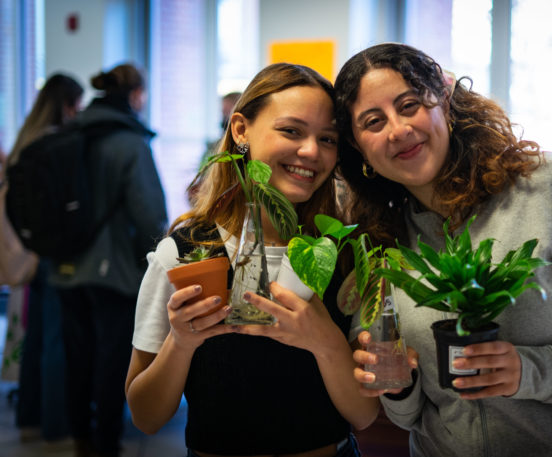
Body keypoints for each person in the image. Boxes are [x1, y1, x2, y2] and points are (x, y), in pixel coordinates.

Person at [334, 43, 552, 457]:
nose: (398, 129)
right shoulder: (379, 243)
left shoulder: (550, 185)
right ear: (359, 149)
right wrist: (399, 383)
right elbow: (407, 415)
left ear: (444, 99)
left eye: (409, 105)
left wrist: (531, 371)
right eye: (373, 121)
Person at [125, 63, 378, 457]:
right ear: (241, 130)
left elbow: (363, 415)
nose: (311, 151)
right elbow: (146, 416)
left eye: (328, 138)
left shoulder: (341, 253)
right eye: (291, 130)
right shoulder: (186, 253)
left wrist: (325, 341)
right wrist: (182, 341)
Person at [49, 63, 168, 457]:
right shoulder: (130, 144)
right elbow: (150, 214)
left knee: (77, 356)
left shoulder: (68, 133)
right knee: (111, 360)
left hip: (65, 266)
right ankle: (106, 444)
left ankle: (81, 436)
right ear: (136, 95)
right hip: (115, 272)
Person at [4, 73, 84, 446]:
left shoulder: (25, 141)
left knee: (35, 336)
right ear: (68, 105)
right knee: (55, 340)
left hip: (29, 251)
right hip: (54, 254)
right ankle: (55, 427)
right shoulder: (59, 145)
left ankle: (29, 421)